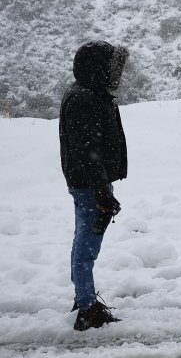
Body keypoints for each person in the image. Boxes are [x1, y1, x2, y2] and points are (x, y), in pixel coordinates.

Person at [59, 40, 130, 331]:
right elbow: (86, 152)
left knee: (84, 240)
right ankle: (87, 309)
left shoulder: (89, 95)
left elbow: (89, 150)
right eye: (112, 67)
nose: (117, 74)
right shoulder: (84, 100)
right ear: (97, 69)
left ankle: (84, 298)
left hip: (89, 182)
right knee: (87, 246)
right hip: (90, 185)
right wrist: (102, 192)